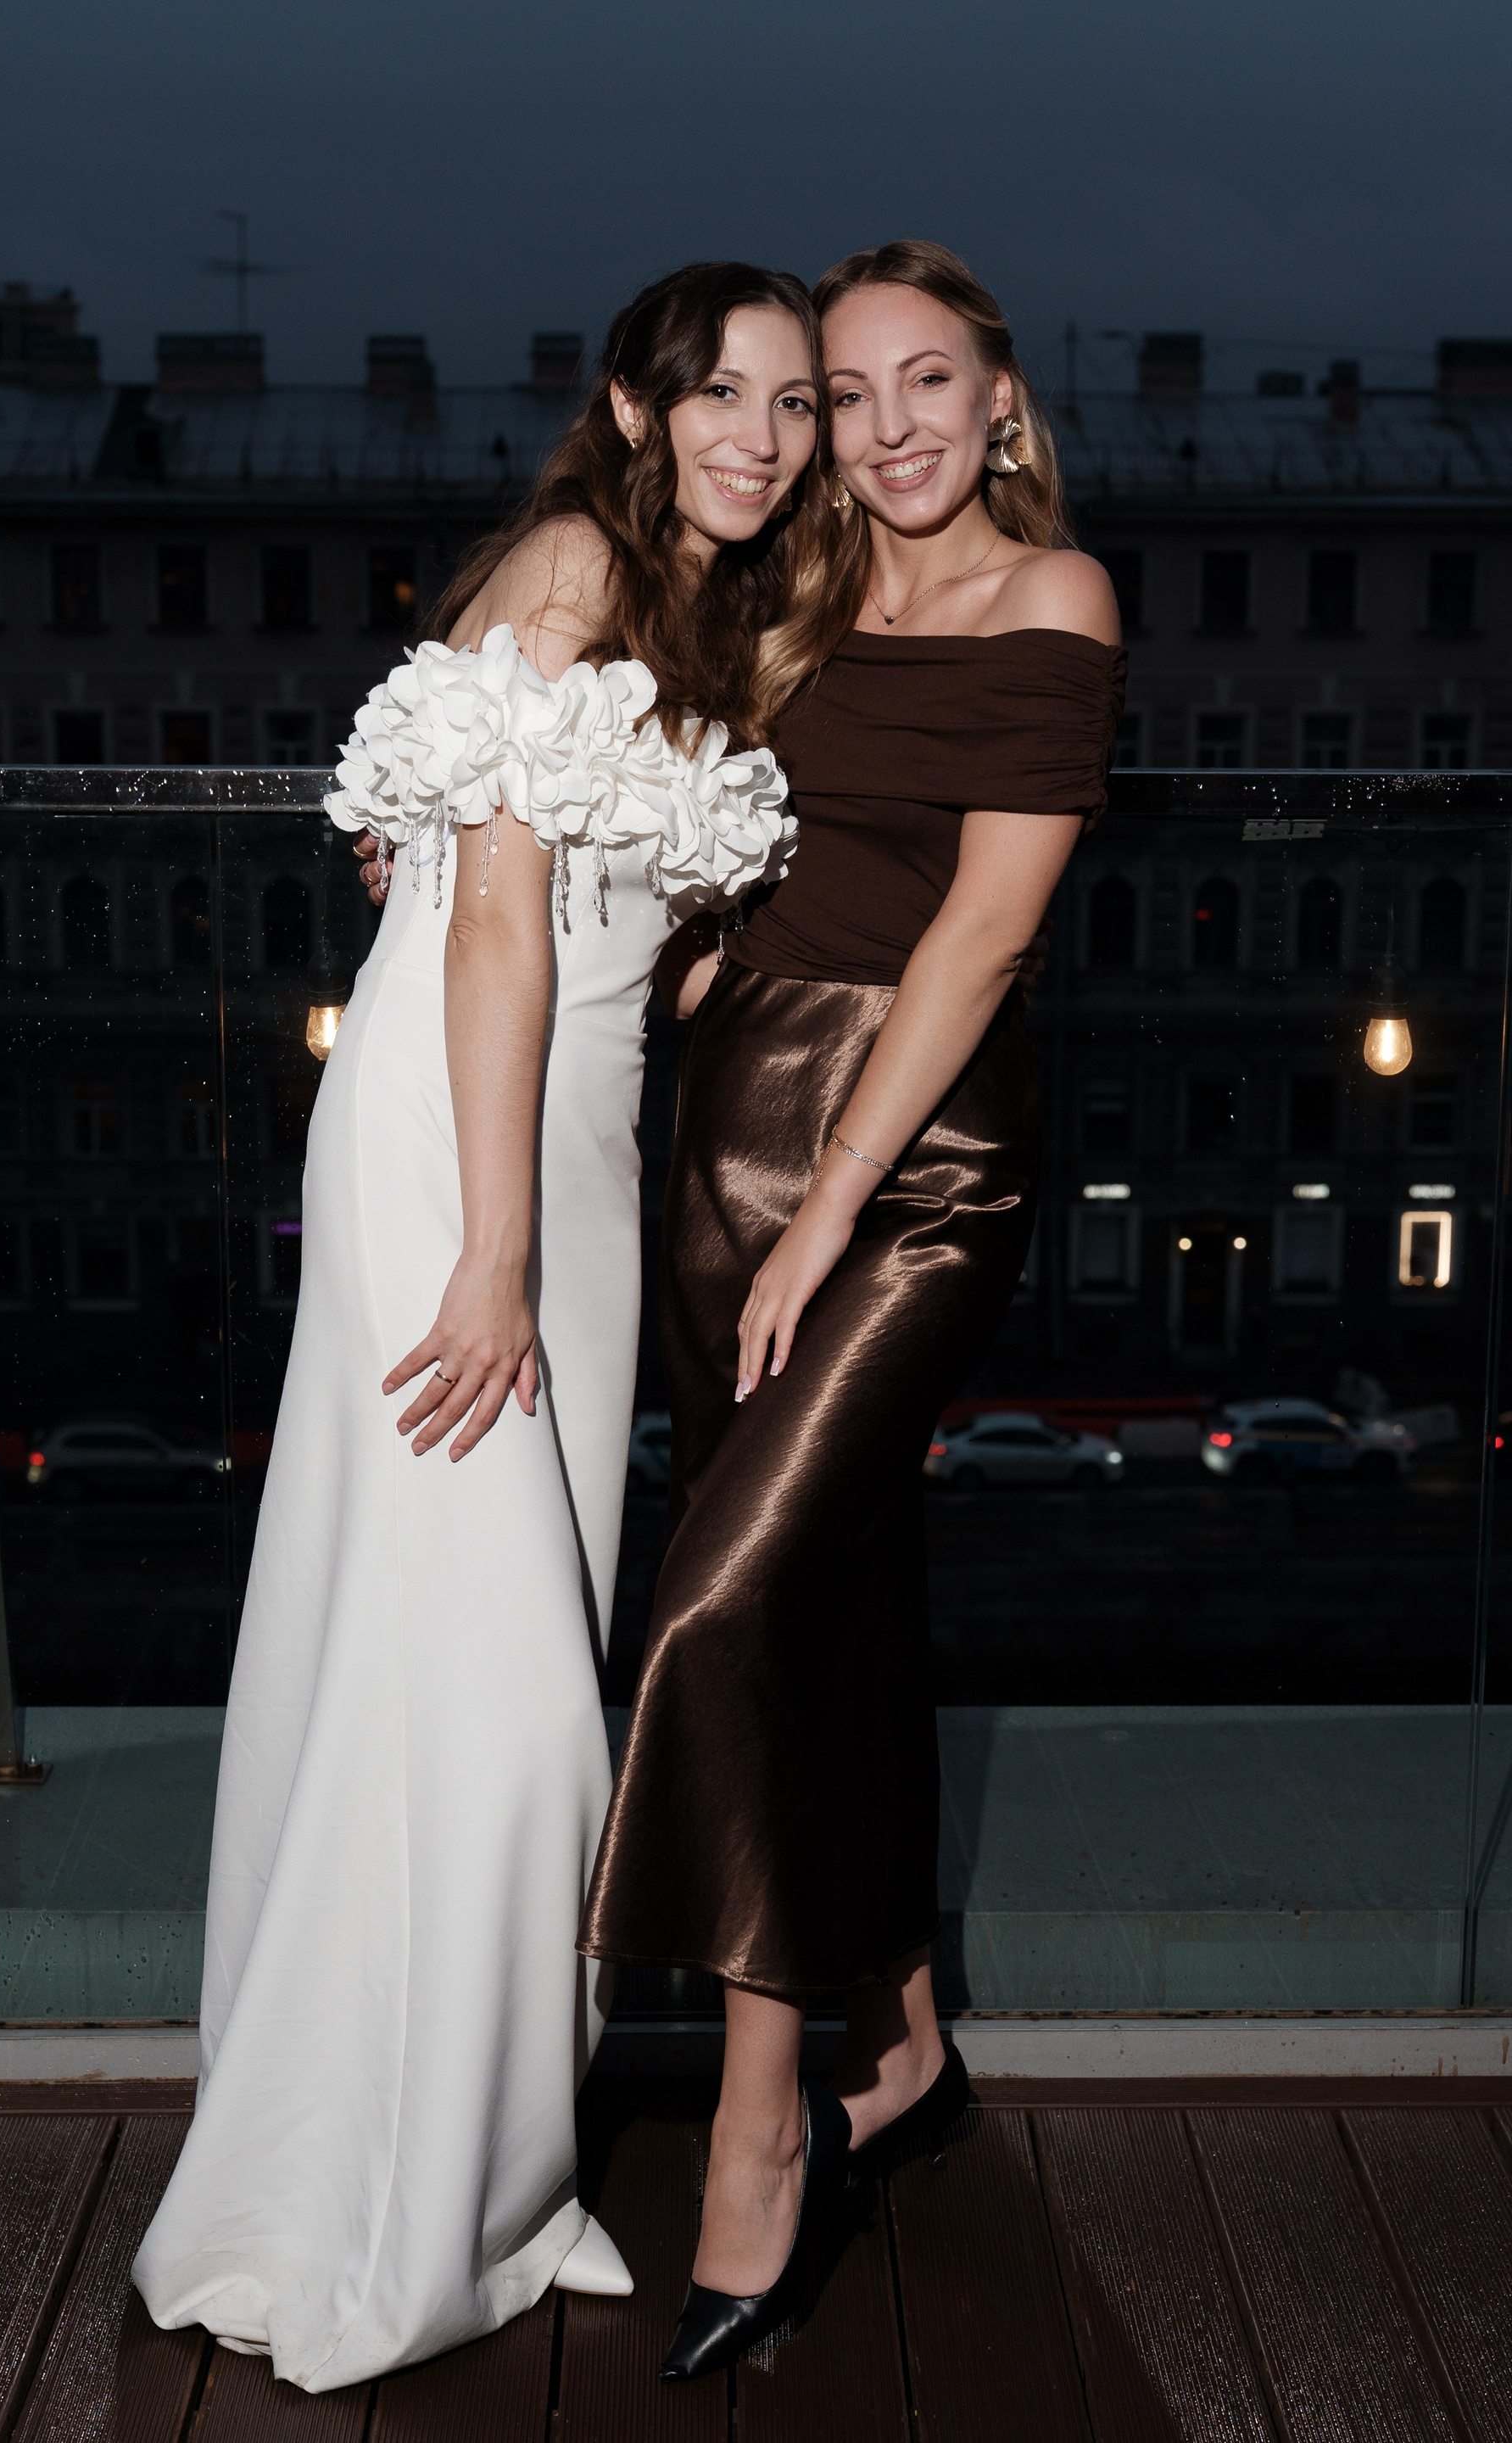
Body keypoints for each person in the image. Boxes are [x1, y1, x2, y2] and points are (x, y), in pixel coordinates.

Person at [131, 261, 826, 2392]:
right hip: (465, 1153)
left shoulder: (701, 612)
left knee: (468, 1664)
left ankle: (492, 2181)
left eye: (793, 403)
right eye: (722, 394)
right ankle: (382, 2200)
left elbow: (608, 921)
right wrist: (495, 1249)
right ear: (631, 406)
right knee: (512, 1705)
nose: (763, 436)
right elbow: (502, 922)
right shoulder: (571, 568)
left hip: (570, 1152)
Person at [578, 240, 1127, 2380]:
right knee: (834, 1598)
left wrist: (827, 1219)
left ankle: (759, 2125)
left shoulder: (1052, 596)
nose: (885, 429)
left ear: (1002, 402)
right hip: (725, 1128)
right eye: (847, 392)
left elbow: (982, 937)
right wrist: (456, 843)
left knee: (720, 1609)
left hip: (917, 1165)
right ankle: (899, 2037)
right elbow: (660, 777)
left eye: (928, 384)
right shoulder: (789, 589)